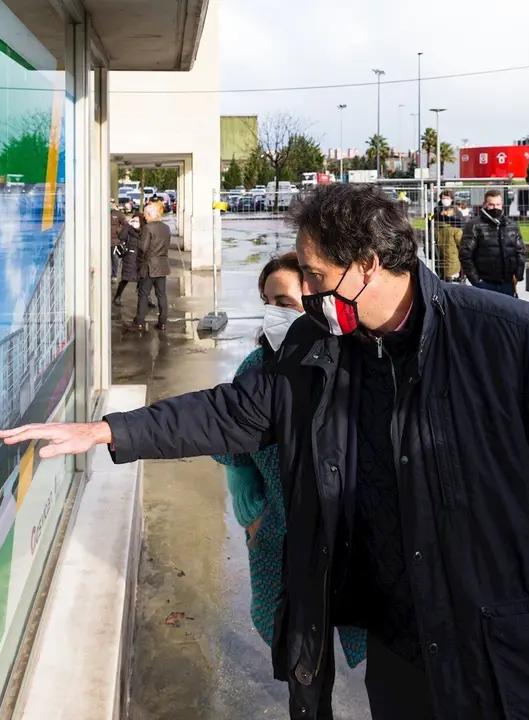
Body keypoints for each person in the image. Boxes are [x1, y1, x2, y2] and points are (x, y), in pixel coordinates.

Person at [0, 183, 529, 720]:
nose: (310, 296)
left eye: (318, 277)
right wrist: (107, 431)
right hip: (404, 657)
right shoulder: (318, 352)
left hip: (518, 660)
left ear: (368, 265)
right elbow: (232, 411)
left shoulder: (508, 341)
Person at [211, 253, 367, 699]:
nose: (274, 312)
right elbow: (231, 445)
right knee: (302, 656)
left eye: (285, 300)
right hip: (282, 535)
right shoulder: (256, 370)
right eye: (267, 301)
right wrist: (252, 512)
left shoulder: (354, 364)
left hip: (348, 537)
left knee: (372, 640)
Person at [459, 189, 524, 297]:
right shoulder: (474, 225)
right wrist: (476, 281)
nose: (495, 208)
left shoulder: (511, 225)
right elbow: (465, 254)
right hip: (485, 282)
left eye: (498, 204)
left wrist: (518, 274)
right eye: (491, 205)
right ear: (485, 204)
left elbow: (520, 251)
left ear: (502, 204)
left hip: (508, 282)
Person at [125, 203, 170, 331]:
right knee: (161, 294)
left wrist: (138, 261)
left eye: (145, 215)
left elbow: (143, 248)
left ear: (150, 215)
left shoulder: (148, 228)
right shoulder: (166, 228)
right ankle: (162, 322)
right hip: (162, 264)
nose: (144, 218)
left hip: (149, 266)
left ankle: (139, 321)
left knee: (143, 293)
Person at [431, 189, 465, 281]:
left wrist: (450, 216)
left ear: (452, 199)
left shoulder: (456, 211)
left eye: (447, 198)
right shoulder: (437, 209)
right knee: (440, 262)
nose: (445, 199)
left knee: (453, 260)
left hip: (452, 240)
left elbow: (461, 222)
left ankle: (458, 276)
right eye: (443, 198)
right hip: (440, 239)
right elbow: (432, 220)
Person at [113, 211, 143, 306]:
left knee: (143, 279)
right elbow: (121, 236)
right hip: (129, 257)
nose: (135, 223)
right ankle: (117, 296)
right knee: (126, 278)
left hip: (141, 257)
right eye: (133, 220)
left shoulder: (144, 230)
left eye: (137, 221)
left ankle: (146, 298)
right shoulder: (128, 229)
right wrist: (127, 225)